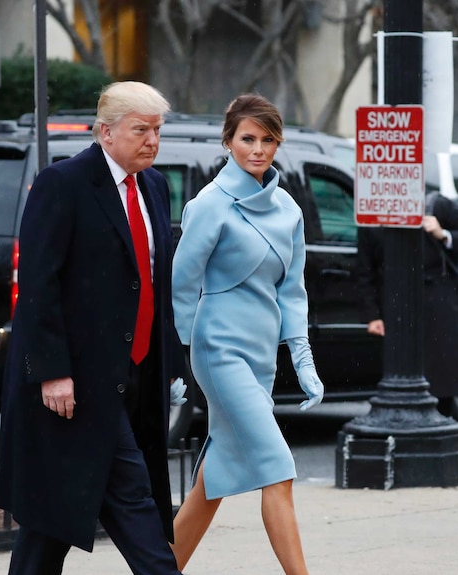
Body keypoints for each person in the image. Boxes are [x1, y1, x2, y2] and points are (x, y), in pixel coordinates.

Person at [0, 81, 187, 575]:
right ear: (105, 132)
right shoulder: (64, 183)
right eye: (140, 130)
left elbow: (151, 282)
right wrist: (52, 372)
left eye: (158, 130)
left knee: (47, 530)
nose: (152, 140)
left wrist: (165, 361)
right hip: (79, 382)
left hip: (137, 376)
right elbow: (38, 285)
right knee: (135, 502)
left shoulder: (156, 188)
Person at [170, 93, 324, 574]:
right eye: (247, 138)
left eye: (267, 140)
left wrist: (303, 360)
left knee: (214, 481)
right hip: (218, 349)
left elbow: (293, 291)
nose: (258, 149)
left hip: (261, 356)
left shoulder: (289, 211)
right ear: (229, 141)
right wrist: (176, 360)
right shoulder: (210, 205)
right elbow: (181, 284)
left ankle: (159, 569)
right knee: (278, 469)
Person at [356, 191, 458, 416]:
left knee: (441, 379)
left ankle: (440, 424)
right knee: (400, 379)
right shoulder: (372, 214)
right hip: (395, 304)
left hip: (436, 298)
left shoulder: (434, 205)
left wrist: (444, 234)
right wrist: (372, 315)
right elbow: (365, 271)